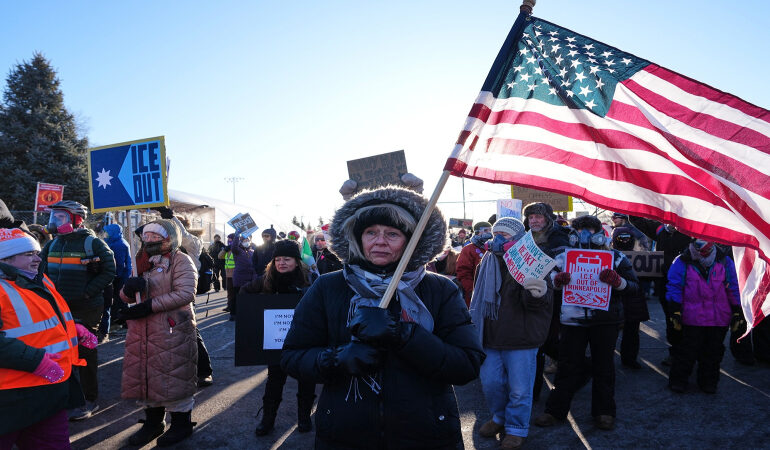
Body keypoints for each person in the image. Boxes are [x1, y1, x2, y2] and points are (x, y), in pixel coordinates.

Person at [281, 186, 485, 449]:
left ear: (411, 241)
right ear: (357, 238)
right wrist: (336, 359)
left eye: (392, 233)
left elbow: (467, 364)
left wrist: (405, 335)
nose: (379, 241)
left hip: (426, 434)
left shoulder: (439, 289)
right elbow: (292, 356)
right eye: (371, 232)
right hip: (344, 435)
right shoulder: (327, 288)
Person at [535, 215, 639, 431]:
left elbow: (634, 286)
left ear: (599, 233)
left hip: (605, 320)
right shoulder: (561, 256)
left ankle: (604, 411)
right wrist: (556, 281)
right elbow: (543, 280)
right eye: (580, 229)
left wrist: (617, 282)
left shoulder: (615, 257)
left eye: (589, 230)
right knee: (567, 365)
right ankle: (555, 410)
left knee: (604, 366)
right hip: (572, 321)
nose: (584, 234)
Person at [0, 228, 97, 449]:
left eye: (36, 252)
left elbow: (49, 316)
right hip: (8, 399)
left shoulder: (39, 279)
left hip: (49, 393)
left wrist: (75, 327)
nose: (37, 258)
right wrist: (34, 360)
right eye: (29, 254)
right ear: (5, 258)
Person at [471, 218, 553, 450]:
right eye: (495, 234)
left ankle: (517, 428)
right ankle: (499, 418)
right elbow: (478, 300)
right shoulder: (485, 262)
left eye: (504, 235)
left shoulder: (532, 262)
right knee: (491, 383)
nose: (497, 239)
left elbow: (542, 303)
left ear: (518, 239)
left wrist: (537, 294)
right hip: (490, 335)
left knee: (519, 389)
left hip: (521, 336)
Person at [119, 219, 198, 447]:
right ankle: (153, 423)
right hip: (142, 330)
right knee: (147, 375)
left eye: (156, 236)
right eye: (147, 236)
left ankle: (181, 423)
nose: (150, 240)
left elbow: (185, 293)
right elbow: (127, 296)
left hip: (171, 329)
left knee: (173, 374)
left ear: (170, 238)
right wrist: (127, 290)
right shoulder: (140, 261)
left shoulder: (180, 260)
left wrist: (150, 305)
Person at [39, 200, 116, 421]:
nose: (54, 222)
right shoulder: (52, 245)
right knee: (60, 350)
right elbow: (41, 271)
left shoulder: (92, 243)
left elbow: (110, 270)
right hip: (58, 307)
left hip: (87, 306)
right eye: (54, 217)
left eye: (60, 217)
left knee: (84, 352)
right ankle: (67, 396)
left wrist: (86, 292)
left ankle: (88, 399)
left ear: (76, 219)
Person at [240, 239, 316, 436]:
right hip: (276, 343)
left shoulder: (310, 279)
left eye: (287, 259)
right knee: (274, 381)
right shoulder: (266, 279)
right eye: (278, 259)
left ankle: (304, 417)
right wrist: (256, 316)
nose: (281, 263)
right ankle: (268, 419)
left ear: (297, 261)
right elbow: (244, 293)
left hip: (304, 342)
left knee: (306, 379)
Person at [666, 240, 740, 394]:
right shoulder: (682, 261)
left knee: (713, 353)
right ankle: (679, 380)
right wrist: (675, 310)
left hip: (718, 317)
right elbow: (674, 286)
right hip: (692, 316)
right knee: (687, 351)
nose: (703, 248)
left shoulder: (725, 261)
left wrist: (737, 310)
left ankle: (708, 381)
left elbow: (733, 287)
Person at [522, 202, 571, 400]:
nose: (533, 220)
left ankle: (576, 367)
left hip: (552, 295)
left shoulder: (558, 236)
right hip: (530, 294)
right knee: (537, 343)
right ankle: (533, 391)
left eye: (538, 217)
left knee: (545, 341)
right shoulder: (526, 237)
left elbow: (563, 265)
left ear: (548, 218)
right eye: (531, 217)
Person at [610, 227, 650, 369]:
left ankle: (629, 359)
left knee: (631, 333)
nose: (625, 241)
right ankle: (612, 360)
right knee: (612, 334)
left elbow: (648, 280)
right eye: (622, 238)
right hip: (618, 300)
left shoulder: (642, 257)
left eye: (627, 238)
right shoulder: (609, 256)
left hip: (631, 300)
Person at [98, 223, 132, 342]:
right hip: (119, 276)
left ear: (113, 232)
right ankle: (120, 321)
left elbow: (119, 264)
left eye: (107, 232)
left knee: (120, 299)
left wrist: (115, 275)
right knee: (118, 299)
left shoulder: (119, 244)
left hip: (120, 277)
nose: (105, 234)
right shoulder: (114, 241)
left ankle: (127, 323)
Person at [456, 221, 493, 307]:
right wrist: (471, 290)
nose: (489, 233)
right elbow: (463, 272)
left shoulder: (492, 247)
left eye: (490, 230)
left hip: (490, 292)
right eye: (486, 230)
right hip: (475, 294)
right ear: (477, 232)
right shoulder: (469, 249)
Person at [230, 233, 256, 321]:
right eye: (244, 240)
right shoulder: (237, 250)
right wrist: (237, 235)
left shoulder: (252, 252)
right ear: (240, 242)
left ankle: (245, 313)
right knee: (237, 296)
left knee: (248, 297)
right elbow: (233, 246)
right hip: (239, 277)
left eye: (248, 240)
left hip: (250, 278)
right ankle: (233, 314)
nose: (246, 242)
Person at [219, 234, 236, 314]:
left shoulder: (237, 249)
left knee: (235, 292)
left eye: (230, 239)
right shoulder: (228, 249)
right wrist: (225, 250)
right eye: (228, 239)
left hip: (236, 274)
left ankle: (234, 308)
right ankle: (229, 306)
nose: (229, 241)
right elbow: (220, 256)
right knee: (230, 292)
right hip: (228, 274)